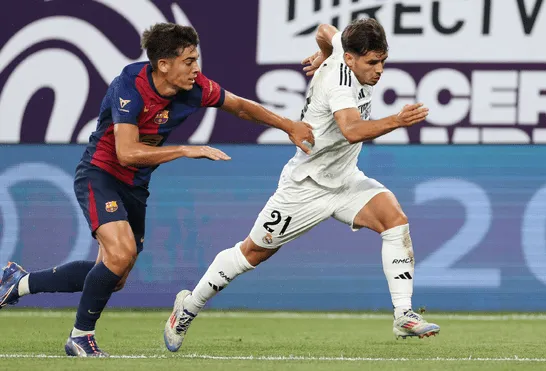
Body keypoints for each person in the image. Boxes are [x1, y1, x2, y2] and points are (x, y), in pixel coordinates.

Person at [0, 22, 314, 357]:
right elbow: (126, 152)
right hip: (100, 174)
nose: (196, 68)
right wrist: (182, 150)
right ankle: (80, 337)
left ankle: (17, 283)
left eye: (196, 60)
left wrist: (287, 125)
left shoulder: (196, 88)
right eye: (189, 60)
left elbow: (237, 105)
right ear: (164, 64)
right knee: (120, 256)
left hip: (135, 186)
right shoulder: (130, 87)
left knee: (114, 275)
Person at [163, 18, 439, 353]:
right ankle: (188, 307)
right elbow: (351, 130)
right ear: (350, 60)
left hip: (345, 179)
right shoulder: (339, 84)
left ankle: (403, 315)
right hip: (306, 186)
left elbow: (325, 29)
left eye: (383, 61)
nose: (379, 70)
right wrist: (398, 119)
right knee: (253, 252)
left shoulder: (343, 48)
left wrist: (323, 52)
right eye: (372, 63)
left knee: (394, 220)